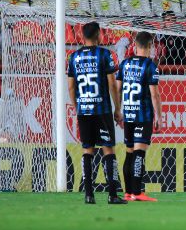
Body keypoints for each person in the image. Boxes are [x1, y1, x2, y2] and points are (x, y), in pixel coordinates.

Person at [67, 22, 127, 205]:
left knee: (88, 150)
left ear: (82, 36)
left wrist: (77, 106)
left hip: (84, 110)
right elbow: (111, 84)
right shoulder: (104, 54)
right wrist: (117, 108)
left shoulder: (74, 57)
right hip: (101, 109)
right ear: (99, 35)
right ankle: (112, 195)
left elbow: (71, 86)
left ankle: (88, 195)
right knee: (108, 149)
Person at [116, 31, 162, 202]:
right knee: (139, 154)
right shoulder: (150, 65)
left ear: (135, 46)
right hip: (143, 115)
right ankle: (137, 192)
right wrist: (159, 117)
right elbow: (154, 95)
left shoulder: (124, 64)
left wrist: (118, 110)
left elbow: (118, 89)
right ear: (150, 46)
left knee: (129, 153)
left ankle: (128, 192)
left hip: (128, 113)